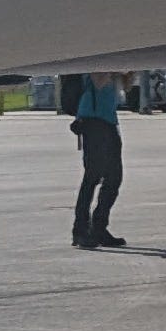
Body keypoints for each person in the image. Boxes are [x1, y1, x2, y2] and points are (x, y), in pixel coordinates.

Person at [69, 71, 125, 250]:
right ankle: (81, 230)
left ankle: (99, 227)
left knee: (114, 178)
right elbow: (99, 81)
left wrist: (128, 70)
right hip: (93, 121)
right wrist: (118, 67)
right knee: (92, 177)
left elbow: (128, 86)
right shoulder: (100, 61)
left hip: (109, 121)